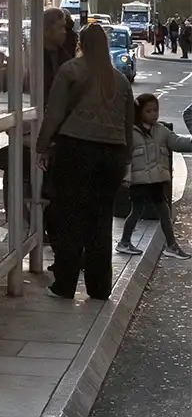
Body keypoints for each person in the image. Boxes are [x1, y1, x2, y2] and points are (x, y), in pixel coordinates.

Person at [38, 22, 134, 300]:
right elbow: (128, 126)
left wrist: (42, 146)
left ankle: (65, 284)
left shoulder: (70, 71)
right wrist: (125, 159)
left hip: (76, 150)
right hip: (112, 156)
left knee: (69, 217)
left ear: (80, 42)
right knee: (100, 220)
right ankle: (100, 287)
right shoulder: (120, 80)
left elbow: (54, 113)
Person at [117, 94, 192, 258]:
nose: (153, 114)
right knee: (136, 211)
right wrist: (125, 176)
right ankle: (124, 241)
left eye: (155, 110)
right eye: (148, 111)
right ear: (139, 112)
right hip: (139, 182)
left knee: (164, 212)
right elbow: (124, 157)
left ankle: (172, 246)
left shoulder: (161, 130)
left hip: (157, 180)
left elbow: (177, 142)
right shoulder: (131, 132)